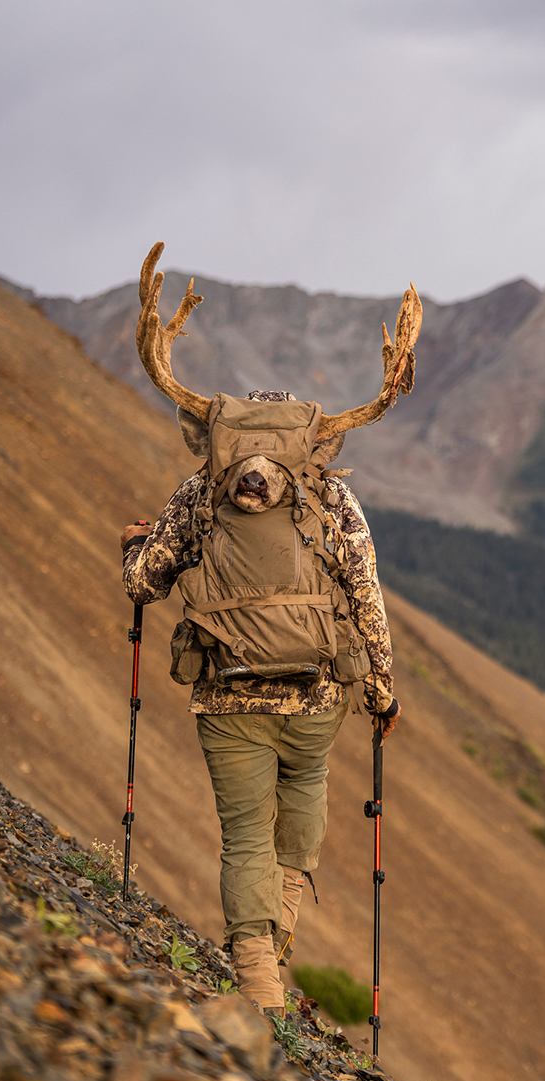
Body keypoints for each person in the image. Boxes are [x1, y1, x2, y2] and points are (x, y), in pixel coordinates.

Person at [121, 390, 401, 1014]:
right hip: (316, 699)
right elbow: (365, 591)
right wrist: (382, 693)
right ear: (312, 443)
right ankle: (273, 956)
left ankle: (260, 990)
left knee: (245, 837)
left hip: (228, 699)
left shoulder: (203, 491)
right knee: (301, 803)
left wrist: (132, 546)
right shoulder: (330, 494)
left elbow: (144, 583)